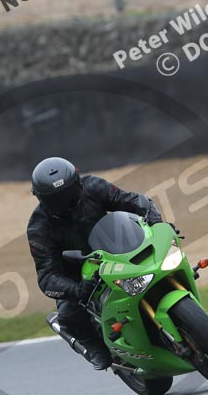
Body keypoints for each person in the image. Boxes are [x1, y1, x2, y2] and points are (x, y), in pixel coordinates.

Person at [26, 157, 162, 370]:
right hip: (78, 275)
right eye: (56, 200)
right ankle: (93, 345)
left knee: (160, 263)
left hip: (116, 251)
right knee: (70, 314)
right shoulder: (38, 228)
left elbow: (131, 200)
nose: (65, 202)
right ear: (42, 200)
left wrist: (155, 222)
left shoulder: (95, 186)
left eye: (68, 193)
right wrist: (76, 289)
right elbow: (46, 277)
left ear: (78, 184)